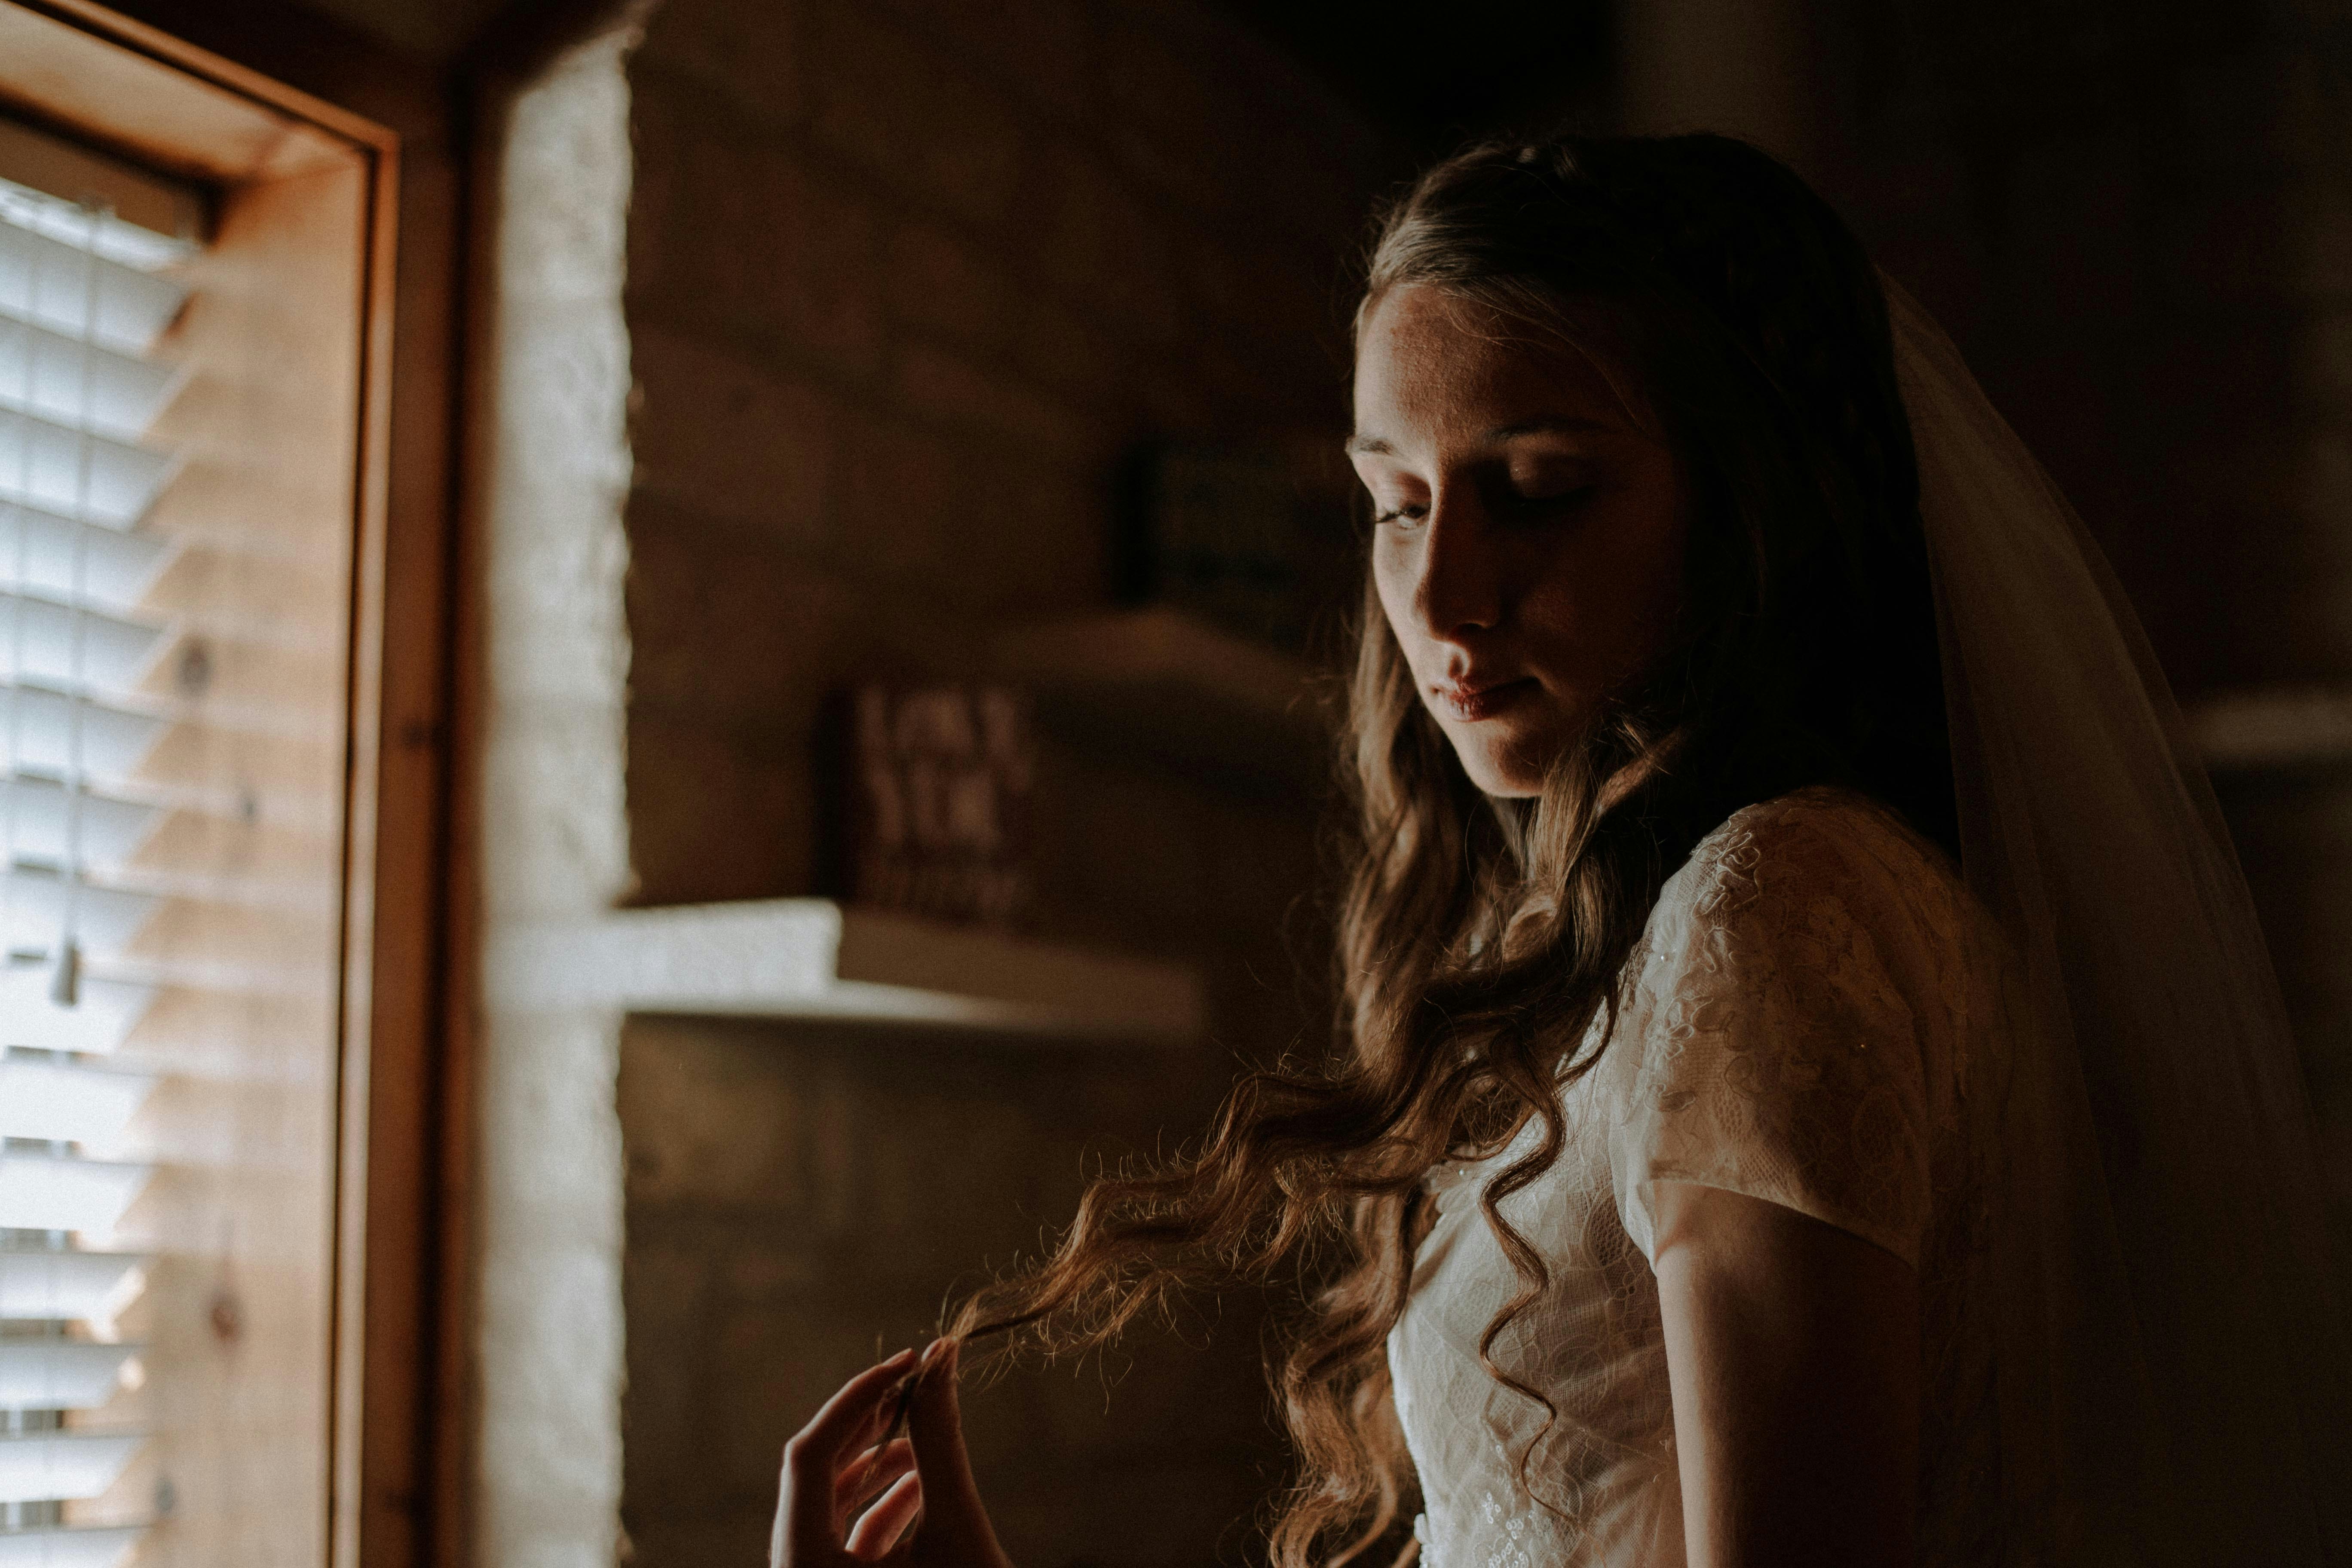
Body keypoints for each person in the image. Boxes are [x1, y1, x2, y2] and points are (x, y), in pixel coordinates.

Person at [768, 136, 2352, 1568]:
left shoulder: (1775, 915)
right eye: (1394, 504)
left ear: (1746, 509)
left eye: (1537, 492)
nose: (1444, 596)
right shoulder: (1758, 915)